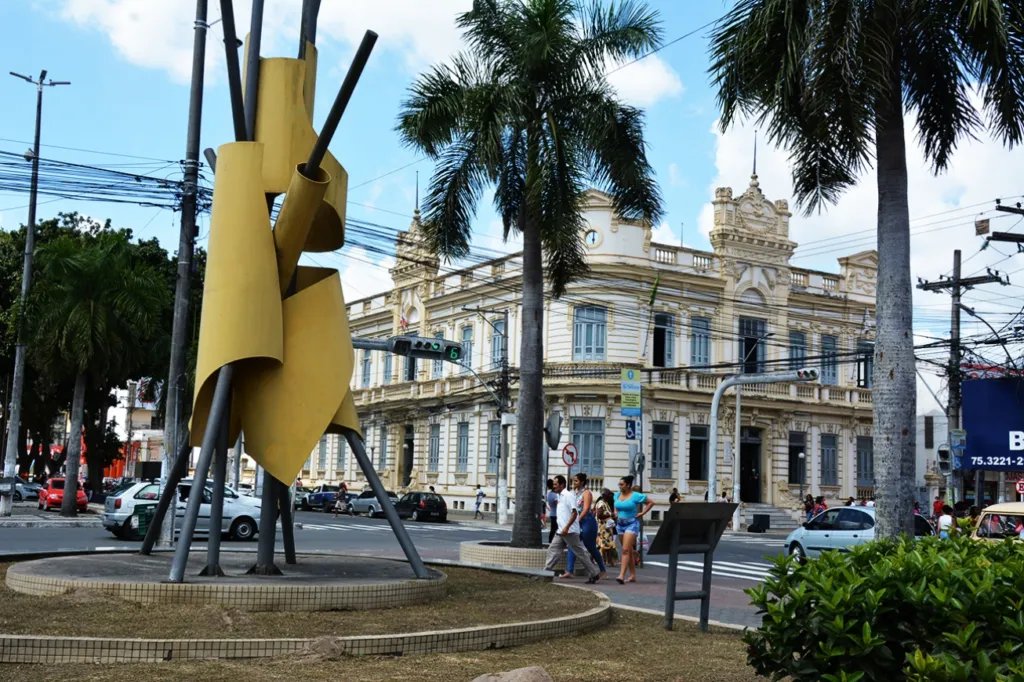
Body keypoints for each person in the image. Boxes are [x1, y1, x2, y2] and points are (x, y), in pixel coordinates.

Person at [543, 475, 600, 584]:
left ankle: (594, 573)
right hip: (561, 531)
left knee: (580, 553)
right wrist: (562, 528)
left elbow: (574, 513)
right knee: (553, 550)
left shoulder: (568, 495)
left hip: (569, 531)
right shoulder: (559, 496)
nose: (554, 486)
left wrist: (567, 527)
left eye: (556, 484)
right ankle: (545, 573)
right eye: (553, 484)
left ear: (562, 485)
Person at [562, 473, 607, 580]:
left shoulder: (587, 493)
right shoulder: (573, 493)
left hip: (587, 522)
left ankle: (602, 570)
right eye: (573, 480)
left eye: (576, 481)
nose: (574, 483)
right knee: (572, 545)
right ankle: (570, 571)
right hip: (577, 522)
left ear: (582, 482)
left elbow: (586, 509)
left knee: (591, 547)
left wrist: (577, 520)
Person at [613, 475, 654, 585]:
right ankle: (632, 575)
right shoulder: (617, 495)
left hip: (632, 523)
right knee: (629, 550)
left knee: (625, 550)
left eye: (622, 484)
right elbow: (616, 505)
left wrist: (642, 513)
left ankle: (621, 575)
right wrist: (616, 512)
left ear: (628, 485)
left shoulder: (636, 495)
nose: (620, 486)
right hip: (620, 524)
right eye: (619, 484)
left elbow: (651, 502)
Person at [595, 488, 618, 568]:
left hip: (607, 528)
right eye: (609, 494)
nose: (610, 496)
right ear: (604, 495)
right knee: (604, 545)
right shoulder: (601, 503)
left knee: (608, 545)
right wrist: (610, 515)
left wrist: (612, 516)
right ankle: (602, 560)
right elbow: (599, 515)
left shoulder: (606, 503)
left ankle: (608, 561)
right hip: (603, 529)